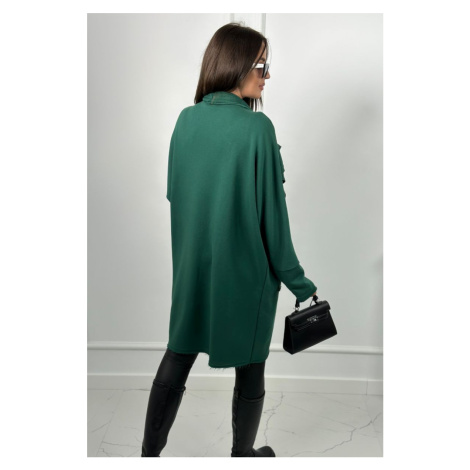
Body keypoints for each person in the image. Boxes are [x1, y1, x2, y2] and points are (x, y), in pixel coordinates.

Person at [141, 22, 318, 458]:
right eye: (261, 65)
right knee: (251, 368)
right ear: (236, 64)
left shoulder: (185, 120)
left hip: (192, 271)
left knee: (178, 355)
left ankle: (147, 457)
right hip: (246, 276)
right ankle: (242, 458)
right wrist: (300, 284)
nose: (267, 74)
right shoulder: (258, 129)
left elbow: (175, 194)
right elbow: (273, 220)